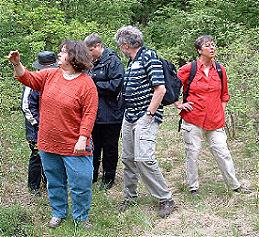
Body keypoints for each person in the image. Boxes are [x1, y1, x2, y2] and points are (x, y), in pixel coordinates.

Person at [8, 40, 98, 229]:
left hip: (75, 144)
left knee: (81, 182)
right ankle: (58, 212)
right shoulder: (50, 74)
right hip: (48, 142)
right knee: (54, 181)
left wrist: (82, 138)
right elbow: (28, 79)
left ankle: (81, 217)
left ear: (73, 57)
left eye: (63, 52)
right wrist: (17, 63)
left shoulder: (86, 84)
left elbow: (89, 114)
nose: (59, 54)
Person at [115, 25, 175, 218]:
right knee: (128, 159)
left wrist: (148, 115)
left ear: (125, 45)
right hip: (129, 115)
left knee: (144, 158)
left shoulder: (149, 57)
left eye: (120, 45)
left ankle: (166, 198)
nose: (120, 49)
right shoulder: (132, 62)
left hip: (144, 116)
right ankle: (130, 197)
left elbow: (161, 89)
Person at [176, 35, 245, 195]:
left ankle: (235, 186)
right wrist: (178, 104)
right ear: (199, 50)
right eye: (207, 46)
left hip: (215, 120)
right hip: (193, 118)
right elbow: (171, 86)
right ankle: (193, 188)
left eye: (213, 45)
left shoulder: (220, 70)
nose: (212, 48)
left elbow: (224, 95)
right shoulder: (189, 69)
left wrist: (220, 110)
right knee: (192, 154)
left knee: (223, 153)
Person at [84, 33, 124, 189]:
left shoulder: (113, 62)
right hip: (93, 114)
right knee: (94, 147)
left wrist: (94, 85)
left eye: (90, 50)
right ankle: (92, 176)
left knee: (109, 148)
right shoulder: (90, 63)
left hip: (111, 113)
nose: (88, 53)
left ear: (98, 46)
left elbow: (116, 85)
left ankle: (108, 177)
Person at [21, 51, 58, 197]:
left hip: (51, 127)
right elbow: (26, 107)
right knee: (37, 156)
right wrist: (40, 124)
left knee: (49, 155)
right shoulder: (32, 82)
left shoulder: (53, 79)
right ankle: (33, 186)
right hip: (36, 128)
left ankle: (48, 182)